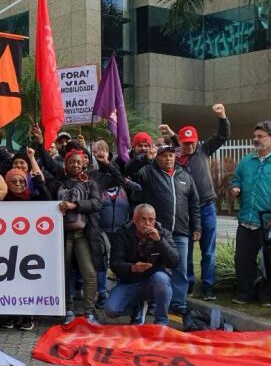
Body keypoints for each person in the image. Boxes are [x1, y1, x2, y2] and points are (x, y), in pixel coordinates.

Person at [161, 104, 230, 301]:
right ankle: (188, 284)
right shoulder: (175, 157)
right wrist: (171, 134)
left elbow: (222, 137)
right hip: (185, 211)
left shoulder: (203, 150)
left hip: (206, 207)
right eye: (185, 143)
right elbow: (175, 142)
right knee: (187, 251)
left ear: (196, 142)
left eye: (191, 143)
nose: (189, 146)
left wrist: (222, 117)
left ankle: (208, 287)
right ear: (179, 144)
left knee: (208, 251)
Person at [230, 121, 271, 305]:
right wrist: (235, 187)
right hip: (247, 220)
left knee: (270, 262)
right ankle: (246, 293)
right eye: (255, 136)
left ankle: (270, 295)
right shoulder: (246, 161)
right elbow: (237, 179)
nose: (256, 139)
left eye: (261, 136)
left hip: (269, 221)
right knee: (243, 259)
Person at [133, 145, 200, 314]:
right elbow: (132, 173)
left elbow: (194, 204)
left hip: (181, 231)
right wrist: (145, 159)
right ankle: (154, 302)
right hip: (156, 231)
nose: (168, 158)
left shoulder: (185, 176)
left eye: (171, 155)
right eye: (164, 156)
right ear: (157, 158)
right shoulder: (148, 172)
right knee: (155, 268)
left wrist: (197, 226)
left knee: (180, 268)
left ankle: (178, 302)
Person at [104, 204, 180, 326]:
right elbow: (114, 263)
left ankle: (161, 322)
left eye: (151, 220)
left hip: (153, 281)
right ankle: (137, 307)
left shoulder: (163, 233)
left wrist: (160, 241)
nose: (147, 223)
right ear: (134, 219)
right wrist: (131, 267)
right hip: (130, 281)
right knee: (111, 310)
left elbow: (174, 262)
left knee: (161, 279)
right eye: (143, 219)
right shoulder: (122, 233)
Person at [54, 149, 103, 323]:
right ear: (65, 164)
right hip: (62, 236)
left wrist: (76, 205)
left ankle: (89, 312)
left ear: (84, 164)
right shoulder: (59, 182)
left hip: (83, 234)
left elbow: (97, 203)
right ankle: (68, 310)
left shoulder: (91, 183)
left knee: (89, 273)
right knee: (64, 275)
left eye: (78, 162)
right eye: (71, 162)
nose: (75, 165)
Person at [91, 139, 140, 309]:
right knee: (101, 265)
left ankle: (121, 293)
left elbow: (136, 188)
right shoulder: (97, 185)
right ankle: (102, 294)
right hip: (102, 232)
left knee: (120, 264)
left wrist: (108, 164)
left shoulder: (123, 187)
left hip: (120, 232)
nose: (110, 177)